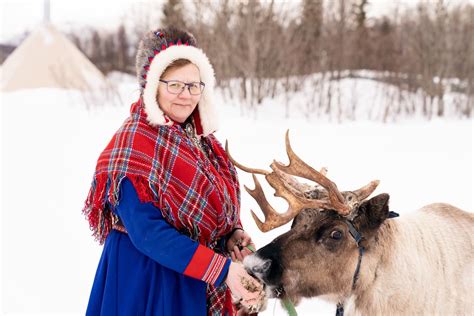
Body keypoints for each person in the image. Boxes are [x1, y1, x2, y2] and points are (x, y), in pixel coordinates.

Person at [83, 27, 265, 316]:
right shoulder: (133, 145)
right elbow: (148, 233)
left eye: (194, 85)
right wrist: (222, 270)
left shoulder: (202, 141)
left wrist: (233, 232)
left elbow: (214, 204)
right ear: (152, 85)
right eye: (175, 85)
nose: (186, 95)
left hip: (198, 277)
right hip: (149, 284)